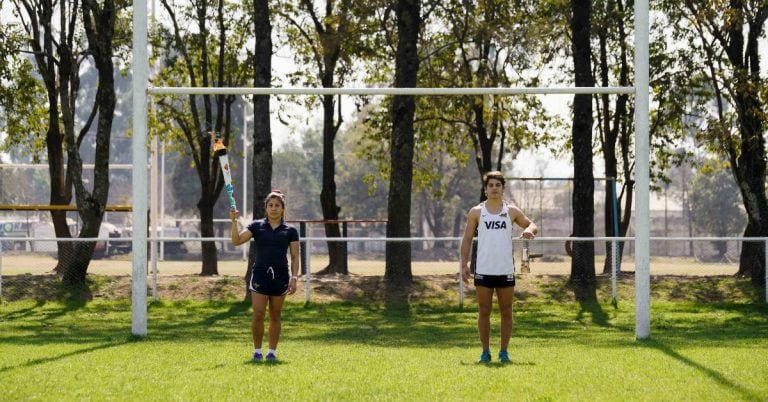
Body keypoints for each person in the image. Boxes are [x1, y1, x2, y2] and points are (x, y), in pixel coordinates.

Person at [460, 171, 537, 363]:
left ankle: (504, 352)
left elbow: (531, 224)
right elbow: (467, 239)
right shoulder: (476, 212)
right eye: (491, 185)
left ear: (503, 189)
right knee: (484, 310)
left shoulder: (511, 211)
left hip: (504, 270)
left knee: (506, 311)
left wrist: (528, 230)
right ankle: (485, 353)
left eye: (498, 185)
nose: (494, 188)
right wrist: (464, 264)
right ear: (485, 190)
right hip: (484, 269)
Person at [230, 190, 300, 362]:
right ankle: (257, 351)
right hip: (260, 275)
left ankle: (272, 353)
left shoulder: (290, 230)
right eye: (271, 205)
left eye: (277, 205)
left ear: (283, 209)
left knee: (275, 315)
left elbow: (295, 256)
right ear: (266, 208)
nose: (274, 208)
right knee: (258, 313)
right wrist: (233, 221)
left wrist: (295, 277)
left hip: (281, 276)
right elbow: (237, 240)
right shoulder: (256, 226)